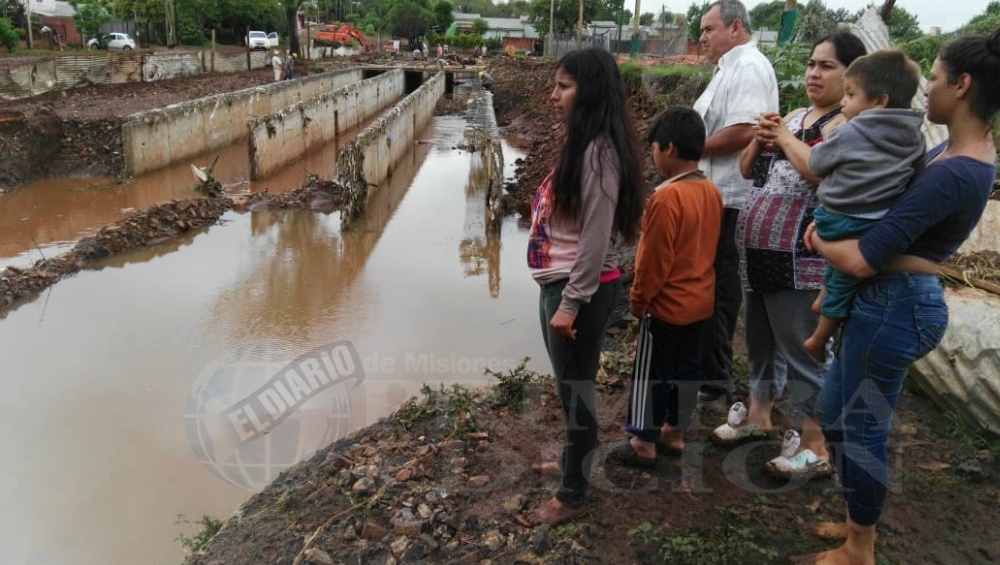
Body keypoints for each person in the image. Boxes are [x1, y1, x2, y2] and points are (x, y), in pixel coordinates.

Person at [794, 29, 1000, 565]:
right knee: (834, 414)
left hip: (896, 305)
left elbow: (864, 257)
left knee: (861, 429)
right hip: (884, 299)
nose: (927, 88)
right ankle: (854, 522)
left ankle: (860, 546)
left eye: (935, 77)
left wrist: (820, 240)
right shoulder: (950, 152)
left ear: (962, 84)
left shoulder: (956, 172)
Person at [712, 32, 866, 480]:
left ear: (851, 75)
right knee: (760, 341)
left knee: (805, 348)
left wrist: (781, 136)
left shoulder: (847, 126)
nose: (814, 73)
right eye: (811, 64)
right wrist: (759, 140)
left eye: (826, 66)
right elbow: (747, 170)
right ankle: (759, 415)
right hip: (758, 253)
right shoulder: (795, 116)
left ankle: (817, 445)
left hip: (802, 260)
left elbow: (821, 173)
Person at [521, 47, 644, 526]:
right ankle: (575, 460)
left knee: (576, 393)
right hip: (562, 287)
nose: (553, 95)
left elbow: (595, 239)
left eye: (564, 86)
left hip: (578, 292)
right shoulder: (586, 145)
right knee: (570, 387)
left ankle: (572, 494)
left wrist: (571, 303)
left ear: (588, 91)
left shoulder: (598, 154)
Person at [606, 106, 722, 467]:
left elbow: (653, 260)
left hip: (666, 306)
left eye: (655, 148)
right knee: (686, 370)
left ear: (669, 148)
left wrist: (639, 300)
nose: (654, 155)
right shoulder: (711, 191)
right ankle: (675, 432)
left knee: (651, 373)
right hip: (700, 302)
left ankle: (644, 441)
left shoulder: (666, 197)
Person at [802, 50, 924, 362]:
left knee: (843, 280)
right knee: (843, 273)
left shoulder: (850, 131)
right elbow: (916, 173)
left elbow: (815, 163)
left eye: (851, 95)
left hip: (833, 215)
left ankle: (818, 338)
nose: (843, 103)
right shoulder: (915, 136)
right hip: (875, 221)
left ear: (879, 101)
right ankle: (822, 300)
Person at [692, 0, 779, 402]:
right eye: (701, 30)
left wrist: (689, 150)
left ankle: (714, 378)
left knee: (721, 287)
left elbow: (745, 131)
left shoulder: (748, 67)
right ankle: (707, 369)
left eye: (709, 29)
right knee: (711, 282)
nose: (702, 37)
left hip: (733, 198)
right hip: (716, 195)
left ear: (736, 28)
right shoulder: (728, 68)